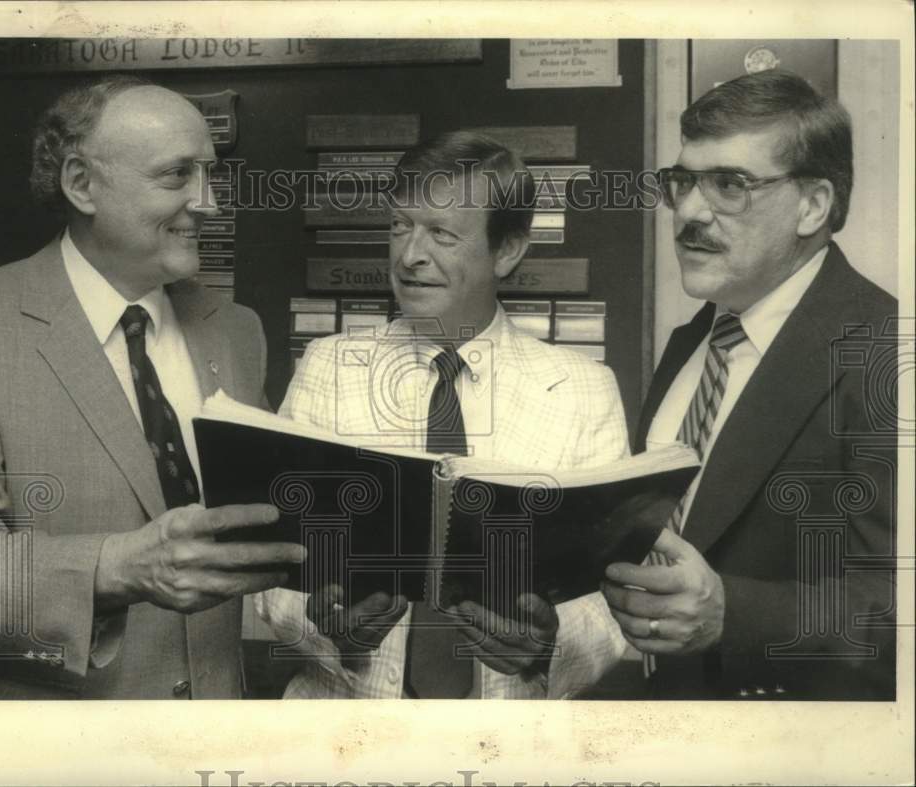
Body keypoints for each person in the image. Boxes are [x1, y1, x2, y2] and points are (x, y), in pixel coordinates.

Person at [0, 77, 305, 699]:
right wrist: (117, 568)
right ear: (81, 185)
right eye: (176, 177)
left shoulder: (235, 331)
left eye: (210, 175)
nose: (210, 203)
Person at [256, 131, 631, 699]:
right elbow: (273, 574)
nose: (410, 256)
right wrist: (325, 624)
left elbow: (610, 602)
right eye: (400, 225)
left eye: (441, 233)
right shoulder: (328, 367)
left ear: (507, 251)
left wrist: (548, 644)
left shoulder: (582, 390)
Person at [600, 70, 897, 700]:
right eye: (682, 182)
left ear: (813, 206)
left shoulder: (884, 352)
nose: (688, 212)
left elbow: (898, 604)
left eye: (730, 185)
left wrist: (733, 612)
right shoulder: (693, 342)